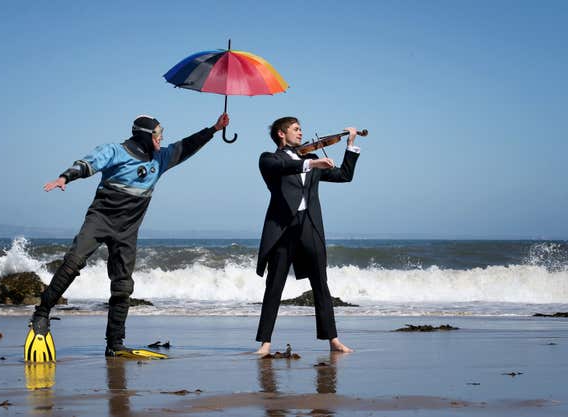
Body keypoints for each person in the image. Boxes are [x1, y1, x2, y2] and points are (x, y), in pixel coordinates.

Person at [31, 112, 230, 357]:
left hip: (127, 231)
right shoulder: (116, 151)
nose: (162, 137)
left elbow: (186, 146)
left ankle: (114, 343)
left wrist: (213, 129)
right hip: (100, 220)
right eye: (158, 133)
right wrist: (65, 177)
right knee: (74, 261)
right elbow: (87, 164)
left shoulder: (161, 159)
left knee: (123, 286)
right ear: (145, 135)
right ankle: (41, 313)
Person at [255, 116, 360, 355]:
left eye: (301, 129)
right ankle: (265, 343)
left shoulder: (312, 158)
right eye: (296, 129)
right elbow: (283, 167)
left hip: (309, 226)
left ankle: (333, 340)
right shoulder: (269, 159)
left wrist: (350, 145)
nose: (301, 133)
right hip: (283, 229)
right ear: (281, 134)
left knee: (321, 285)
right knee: (275, 286)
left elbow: (345, 175)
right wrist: (311, 164)